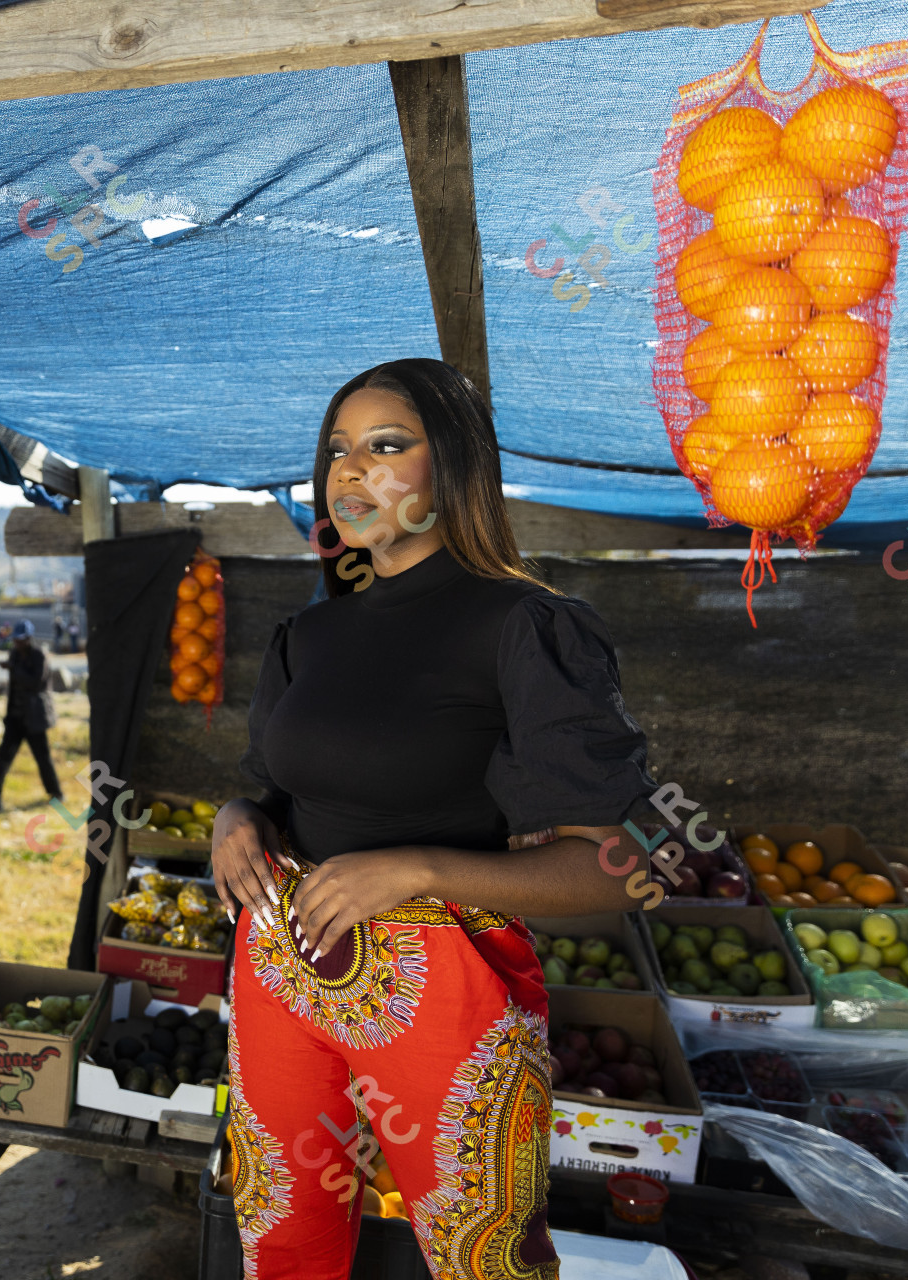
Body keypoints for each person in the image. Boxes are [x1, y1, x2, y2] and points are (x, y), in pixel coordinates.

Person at [209, 359, 656, 1279]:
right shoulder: (313, 635)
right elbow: (264, 790)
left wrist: (418, 868)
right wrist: (233, 821)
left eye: (386, 446)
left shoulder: (525, 627)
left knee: (481, 1253)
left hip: (445, 978)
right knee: (279, 1234)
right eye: (338, 450)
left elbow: (614, 867)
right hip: (279, 965)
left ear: (452, 466)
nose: (350, 472)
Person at [0, 621, 62, 811]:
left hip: (34, 718)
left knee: (42, 757)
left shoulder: (39, 656)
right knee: (3, 756)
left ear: (28, 639)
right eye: (15, 640)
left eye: (20, 640)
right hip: (16, 717)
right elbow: (14, 688)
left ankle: (56, 794)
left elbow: (34, 683)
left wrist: (14, 668)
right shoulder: (14, 655)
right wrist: (8, 715)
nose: (17, 643)